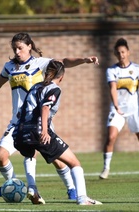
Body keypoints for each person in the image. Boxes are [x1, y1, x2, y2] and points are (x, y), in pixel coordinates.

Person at [0, 32, 99, 204]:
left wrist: (84, 60)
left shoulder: (39, 63)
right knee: (0, 156)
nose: (17, 52)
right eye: (14, 49)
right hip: (17, 122)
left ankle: (71, 188)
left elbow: (62, 62)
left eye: (20, 48)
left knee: (57, 158)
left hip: (38, 120)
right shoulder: (9, 67)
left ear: (29, 46)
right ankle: (13, 184)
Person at [13, 60, 102, 205]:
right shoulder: (54, 89)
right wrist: (45, 131)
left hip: (19, 133)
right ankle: (82, 198)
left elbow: (20, 113)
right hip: (37, 131)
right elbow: (45, 108)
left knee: (31, 155)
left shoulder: (35, 87)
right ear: (62, 77)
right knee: (75, 163)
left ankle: (33, 189)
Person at [99, 38, 139, 179]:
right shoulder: (112, 70)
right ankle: (106, 168)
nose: (121, 55)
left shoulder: (137, 69)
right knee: (111, 137)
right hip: (118, 110)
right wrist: (116, 106)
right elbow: (112, 89)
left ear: (128, 52)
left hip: (135, 110)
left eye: (123, 52)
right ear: (115, 54)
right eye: (118, 53)